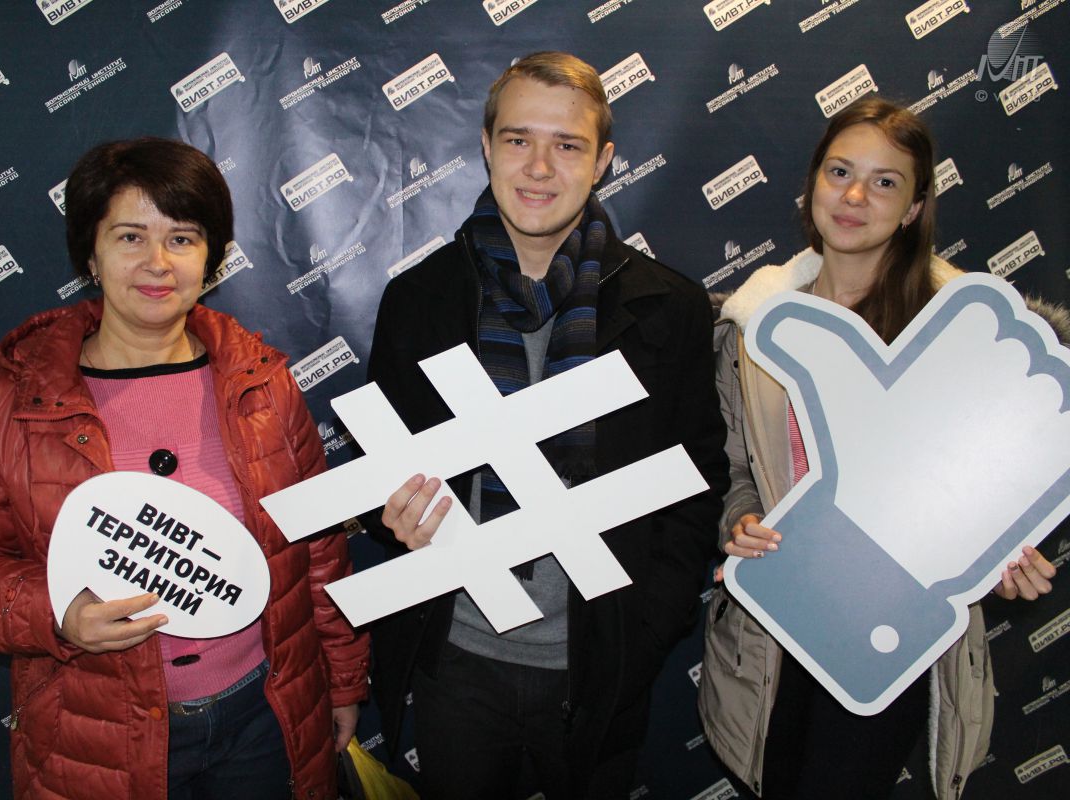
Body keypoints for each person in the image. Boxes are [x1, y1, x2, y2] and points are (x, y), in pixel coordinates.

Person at [0, 137, 368, 800]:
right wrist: (58, 612)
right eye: (130, 237)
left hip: (263, 718)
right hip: (99, 734)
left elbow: (317, 549)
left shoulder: (263, 386)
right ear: (90, 254)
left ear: (210, 258)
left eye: (182, 238)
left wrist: (342, 679)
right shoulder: (4, 407)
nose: (157, 263)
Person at [366, 52, 729, 799]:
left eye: (567, 145)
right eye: (518, 139)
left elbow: (695, 487)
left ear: (603, 161)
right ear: (486, 146)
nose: (538, 167)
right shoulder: (420, 300)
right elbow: (381, 472)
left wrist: (644, 631)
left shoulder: (669, 308)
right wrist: (388, 511)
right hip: (456, 660)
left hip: (597, 662)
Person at [699, 97, 1059, 800]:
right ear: (813, 183)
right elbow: (740, 471)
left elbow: (989, 491)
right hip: (776, 623)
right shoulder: (753, 328)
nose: (855, 196)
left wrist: (1002, 556)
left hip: (887, 631)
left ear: (915, 207)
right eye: (840, 172)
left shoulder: (961, 337)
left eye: (885, 182)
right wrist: (741, 521)